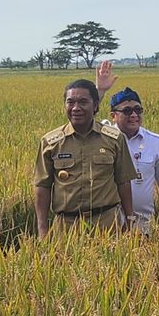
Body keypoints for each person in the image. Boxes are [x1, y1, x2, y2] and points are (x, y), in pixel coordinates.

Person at [34, 79, 137, 236]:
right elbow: (42, 187)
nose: (76, 108)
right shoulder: (50, 142)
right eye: (70, 102)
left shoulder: (114, 139)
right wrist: (42, 228)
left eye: (83, 102)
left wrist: (130, 220)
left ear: (95, 105)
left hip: (107, 224)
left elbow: (123, 182)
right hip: (66, 227)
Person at [107, 87, 159, 233]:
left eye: (138, 110)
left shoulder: (155, 142)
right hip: (109, 225)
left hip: (144, 225)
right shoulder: (105, 140)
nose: (134, 115)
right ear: (113, 116)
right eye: (127, 111)